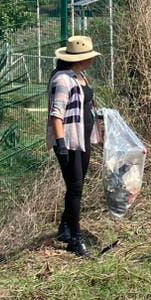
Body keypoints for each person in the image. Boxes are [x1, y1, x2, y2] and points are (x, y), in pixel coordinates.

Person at [47, 34, 101, 257]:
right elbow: (56, 113)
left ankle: (65, 229)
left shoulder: (80, 76)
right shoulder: (62, 80)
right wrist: (60, 143)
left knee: (76, 187)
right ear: (78, 58)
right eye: (89, 57)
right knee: (76, 187)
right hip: (68, 141)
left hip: (82, 139)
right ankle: (75, 239)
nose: (92, 60)